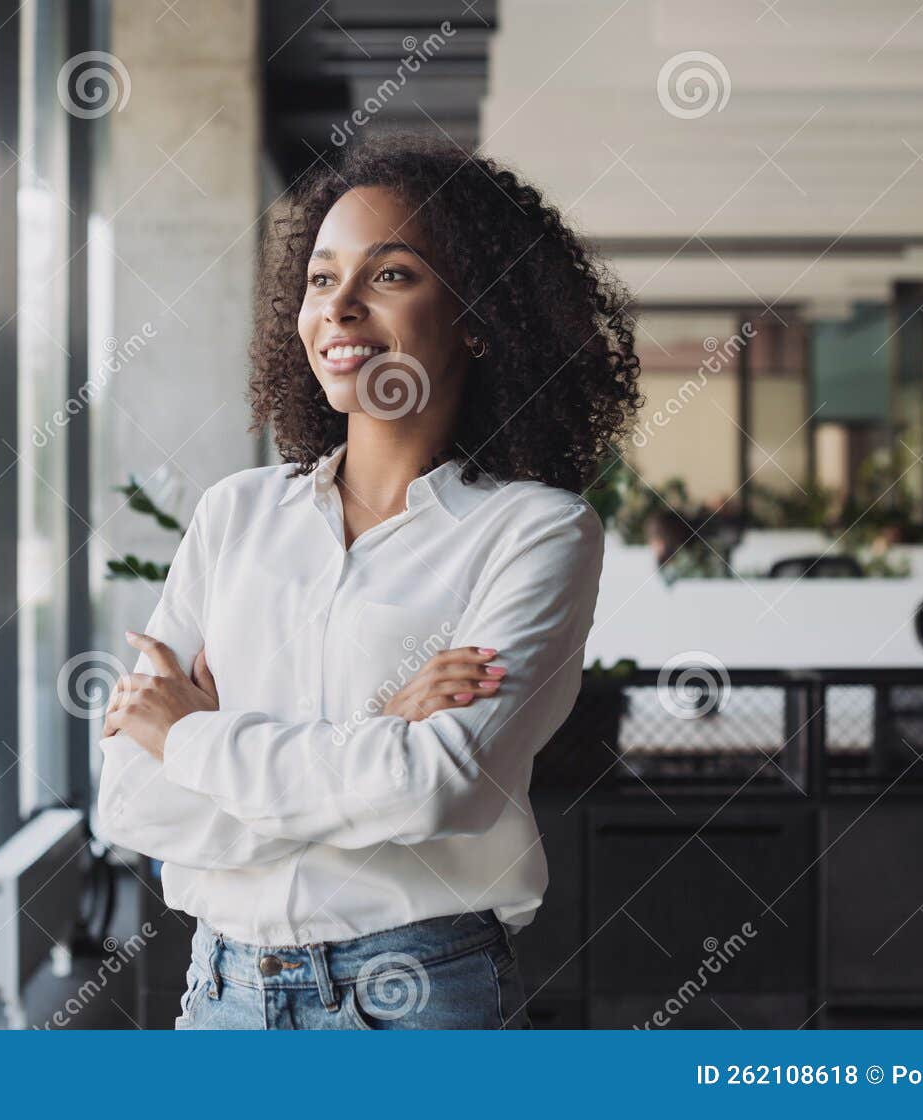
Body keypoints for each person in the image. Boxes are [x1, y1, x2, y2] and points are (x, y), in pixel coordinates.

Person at [97, 133, 641, 1029]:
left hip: (417, 995)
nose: (339, 308)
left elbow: (440, 788)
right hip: (221, 997)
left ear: (478, 314)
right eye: (320, 279)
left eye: (390, 275)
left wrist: (195, 738)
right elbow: (130, 800)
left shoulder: (536, 531)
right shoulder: (235, 515)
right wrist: (375, 736)